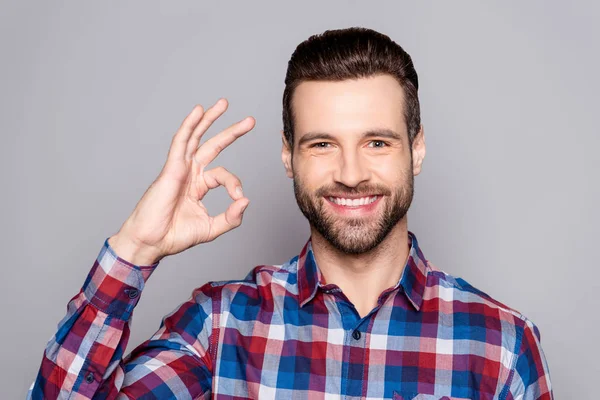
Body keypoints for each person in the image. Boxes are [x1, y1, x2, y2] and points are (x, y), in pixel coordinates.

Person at [28, 27, 553, 400]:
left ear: (415, 150)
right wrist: (135, 250)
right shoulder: (219, 328)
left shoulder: (502, 345)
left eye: (376, 142)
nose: (350, 173)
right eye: (322, 144)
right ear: (289, 156)